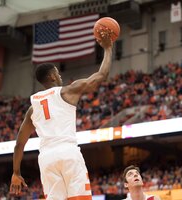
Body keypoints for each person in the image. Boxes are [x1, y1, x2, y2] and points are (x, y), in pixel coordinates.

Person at [10, 28, 113, 200]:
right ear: (51, 76)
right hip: (67, 152)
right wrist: (108, 48)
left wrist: (16, 172)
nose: (59, 76)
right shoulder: (66, 92)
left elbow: (19, 144)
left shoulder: (33, 107)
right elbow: (101, 75)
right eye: (57, 72)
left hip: (46, 159)